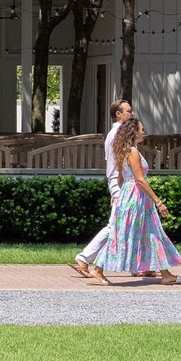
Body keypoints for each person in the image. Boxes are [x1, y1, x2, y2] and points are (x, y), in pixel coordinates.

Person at [96, 115, 181, 284]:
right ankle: (98, 270)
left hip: (131, 198)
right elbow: (140, 180)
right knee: (128, 234)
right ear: (134, 132)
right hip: (135, 199)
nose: (144, 132)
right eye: (142, 129)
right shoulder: (133, 152)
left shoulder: (124, 151)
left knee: (150, 234)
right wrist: (159, 202)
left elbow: (121, 177)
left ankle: (166, 275)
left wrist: (118, 196)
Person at [69, 97, 131, 283]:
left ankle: (143, 267)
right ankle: (85, 257)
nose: (132, 113)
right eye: (128, 110)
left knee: (128, 224)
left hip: (117, 182)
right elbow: (121, 163)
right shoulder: (119, 134)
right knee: (116, 225)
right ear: (118, 114)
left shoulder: (113, 134)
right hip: (121, 182)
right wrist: (119, 187)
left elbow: (109, 161)